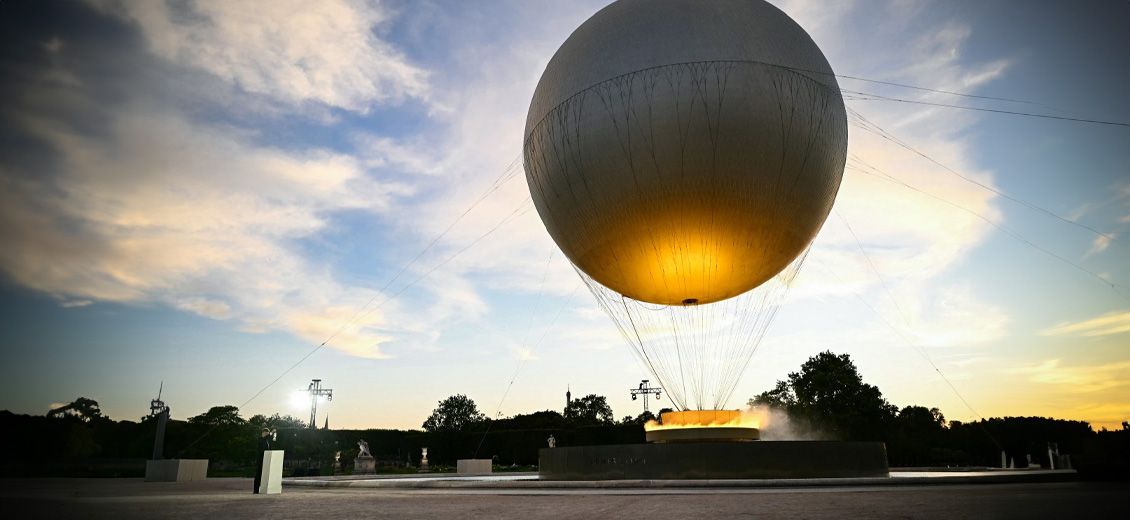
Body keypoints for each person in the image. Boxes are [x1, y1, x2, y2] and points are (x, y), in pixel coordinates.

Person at [253, 427, 272, 494]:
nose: (267, 435)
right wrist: (271, 433)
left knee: (262, 475)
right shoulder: (260, 439)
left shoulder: (266, 440)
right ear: (263, 433)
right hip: (260, 459)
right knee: (258, 474)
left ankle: (261, 489)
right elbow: (262, 447)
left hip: (265, 459)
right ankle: (256, 490)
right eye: (266, 434)